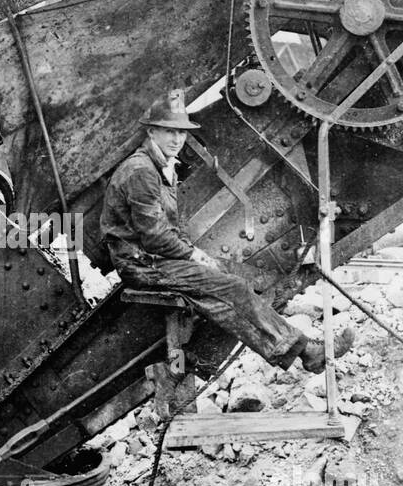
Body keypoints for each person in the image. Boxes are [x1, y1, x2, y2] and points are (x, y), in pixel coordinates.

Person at [100, 94, 353, 374]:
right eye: (169, 131)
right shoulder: (142, 171)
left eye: (181, 132)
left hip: (152, 259)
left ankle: (206, 365)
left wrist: (194, 255)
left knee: (225, 287)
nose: (177, 139)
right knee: (233, 287)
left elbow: (169, 229)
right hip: (143, 264)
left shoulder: (160, 167)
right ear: (151, 131)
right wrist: (193, 254)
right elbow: (155, 236)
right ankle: (306, 351)